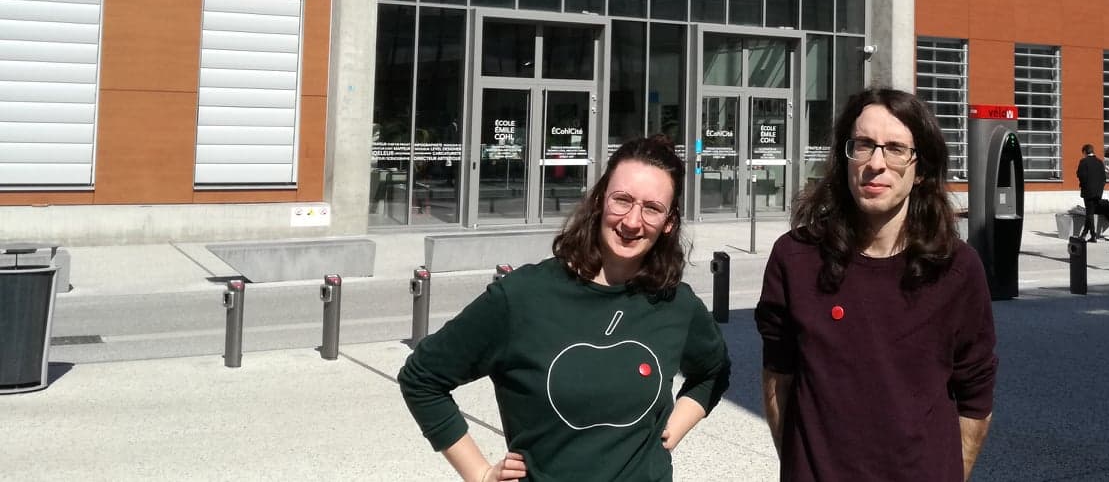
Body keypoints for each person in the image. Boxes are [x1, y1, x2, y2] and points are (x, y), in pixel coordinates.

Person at [399, 136, 731, 482]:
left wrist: (673, 428)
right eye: (623, 200)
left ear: (669, 223)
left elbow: (714, 370)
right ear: (600, 199)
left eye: (652, 208)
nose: (633, 221)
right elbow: (422, 378)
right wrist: (479, 474)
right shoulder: (523, 297)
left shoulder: (675, 303)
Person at [755, 88, 997, 482]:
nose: (876, 164)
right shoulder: (796, 260)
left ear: (920, 168)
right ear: (844, 158)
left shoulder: (957, 269)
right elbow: (778, 378)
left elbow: (975, 401)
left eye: (895, 149)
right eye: (863, 145)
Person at [1075, 143, 1107, 241]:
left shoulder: (1083, 161)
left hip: (1088, 191)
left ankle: (1091, 235)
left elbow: (1080, 175)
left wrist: (1084, 185)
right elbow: (1104, 178)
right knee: (1091, 213)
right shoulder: (1100, 162)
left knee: (1089, 213)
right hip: (1098, 192)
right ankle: (1087, 233)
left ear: (1085, 152)